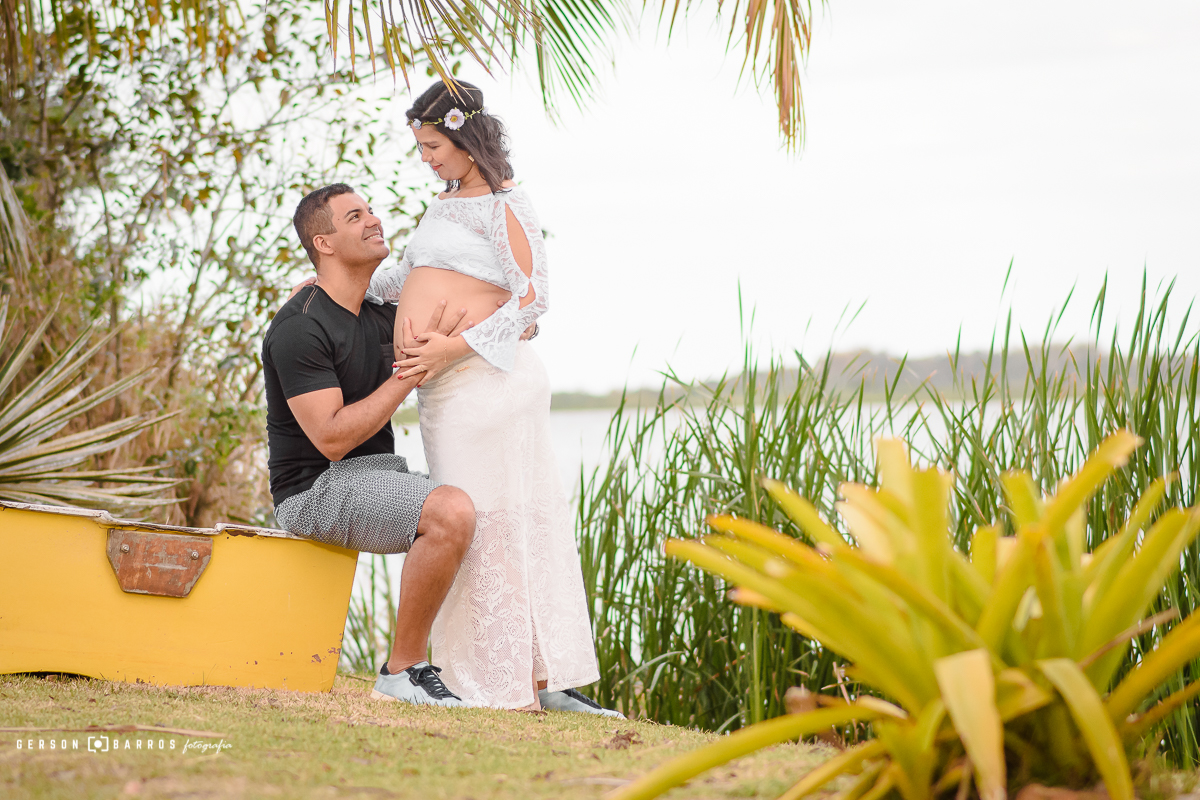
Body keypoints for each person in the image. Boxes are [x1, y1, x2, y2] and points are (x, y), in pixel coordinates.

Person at [369, 80, 620, 716]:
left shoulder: (507, 202)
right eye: (420, 147)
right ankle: (490, 673)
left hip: (490, 386)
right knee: (473, 526)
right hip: (444, 397)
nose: (424, 158)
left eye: (431, 146)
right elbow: (413, 278)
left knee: (505, 523)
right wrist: (336, 280)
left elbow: (532, 299)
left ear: (465, 139)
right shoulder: (442, 205)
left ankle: (529, 680)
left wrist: (452, 348)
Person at [263, 182, 478, 708]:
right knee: (449, 510)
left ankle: (508, 674)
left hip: (382, 470)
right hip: (316, 489)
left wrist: (518, 313)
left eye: (370, 210)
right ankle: (402, 671)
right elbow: (331, 438)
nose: (373, 220)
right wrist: (410, 372)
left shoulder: (381, 313)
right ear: (325, 244)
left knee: (487, 509)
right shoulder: (300, 327)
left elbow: (472, 311)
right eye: (354, 216)